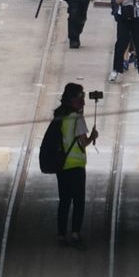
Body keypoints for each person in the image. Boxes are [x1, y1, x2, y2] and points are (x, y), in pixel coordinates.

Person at [53, 83, 96, 249]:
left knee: (64, 201)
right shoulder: (77, 118)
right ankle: (75, 233)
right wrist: (92, 136)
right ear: (72, 100)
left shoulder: (58, 116)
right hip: (76, 165)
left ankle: (61, 235)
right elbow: (83, 142)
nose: (83, 102)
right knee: (78, 201)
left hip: (61, 165)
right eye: (81, 99)